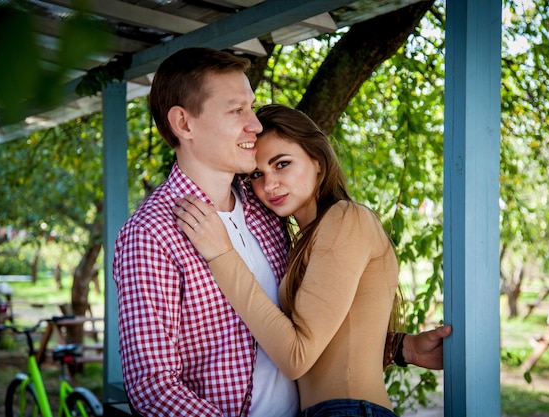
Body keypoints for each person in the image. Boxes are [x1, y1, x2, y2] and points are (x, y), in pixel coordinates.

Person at [113, 46, 450, 417]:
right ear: (184, 123)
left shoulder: (265, 210)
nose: (254, 125)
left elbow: (304, 333)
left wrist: (396, 348)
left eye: (252, 108)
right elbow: (153, 388)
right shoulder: (151, 232)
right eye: (236, 110)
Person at [173, 104, 446, 416]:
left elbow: (296, 357)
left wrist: (222, 255)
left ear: (317, 160)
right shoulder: (308, 238)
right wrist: (401, 348)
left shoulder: (346, 218)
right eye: (258, 174)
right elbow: (337, 339)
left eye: (282, 164)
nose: (269, 185)